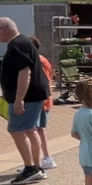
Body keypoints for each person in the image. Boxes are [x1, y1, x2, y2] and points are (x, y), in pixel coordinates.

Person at [0, 18, 50, 185]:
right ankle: (36, 167)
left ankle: (31, 168)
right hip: (33, 95)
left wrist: (19, 100)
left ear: (5, 29)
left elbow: (25, 73)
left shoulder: (17, 45)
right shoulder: (23, 42)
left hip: (28, 97)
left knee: (16, 130)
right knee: (30, 130)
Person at [28, 37, 58, 172]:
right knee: (38, 130)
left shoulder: (38, 61)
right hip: (42, 100)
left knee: (33, 130)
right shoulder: (40, 60)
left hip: (39, 101)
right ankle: (45, 158)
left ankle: (35, 163)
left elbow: (42, 82)